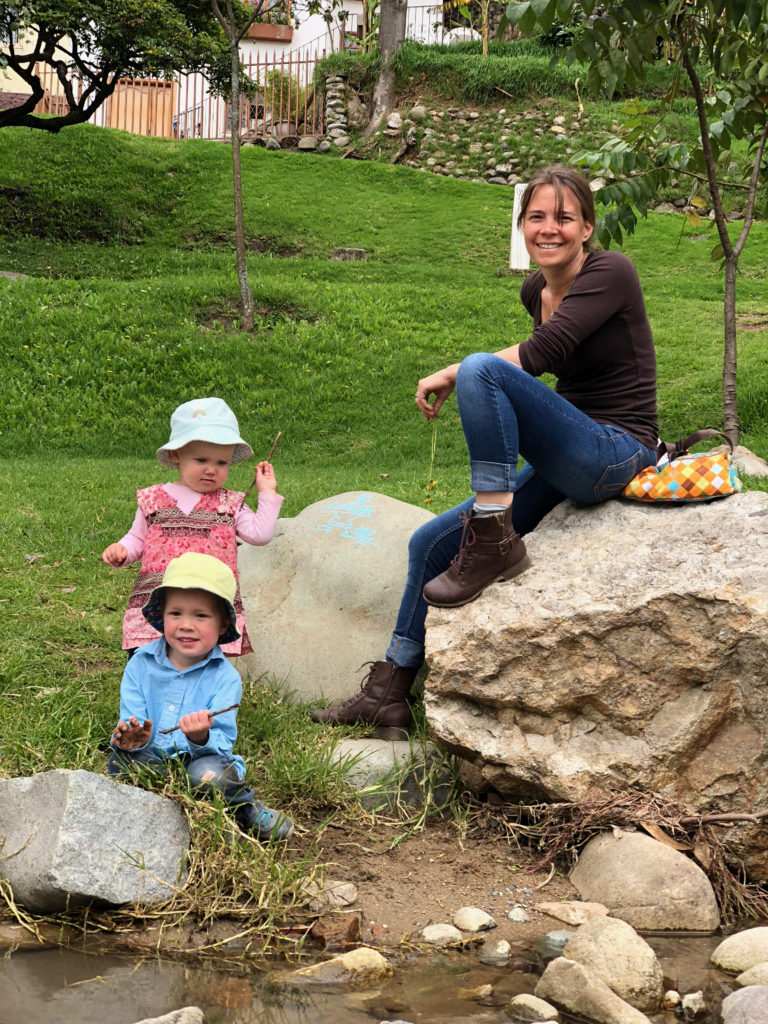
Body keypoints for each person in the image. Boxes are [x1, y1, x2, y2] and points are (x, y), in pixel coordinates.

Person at [312, 165, 658, 734]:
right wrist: (470, 375)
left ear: (588, 228)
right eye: (537, 217)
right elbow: (541, 361)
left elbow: (544, 352)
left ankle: (493, 534)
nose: (550, 229)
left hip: (619, 451)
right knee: (429, 542)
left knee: (480, 370)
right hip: (571, 455)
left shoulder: (611, 271)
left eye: (565, 218)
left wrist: (454, 374)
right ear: (523, 226)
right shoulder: (535, 290)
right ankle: (390, 690)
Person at [108, 551, 293, 841]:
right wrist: (131, 739)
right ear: (162, 615)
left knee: (210, 775)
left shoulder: (224, 678)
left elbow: (221, 743)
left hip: (200, 762)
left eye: (201, 615)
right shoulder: (139, 665)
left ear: (222, 625)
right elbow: (130, 720)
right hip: (150, 757)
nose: (186, 624)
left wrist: (199, 738)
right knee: (122, 761)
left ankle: (244, 808)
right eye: (175, 613)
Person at [102, 397, 282, 657]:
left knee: (202, 669)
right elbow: (137, 538)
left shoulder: (230, 504)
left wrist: (267, 493)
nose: (211, 470)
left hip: (206, 606)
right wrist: (122, 550)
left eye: (222, 463)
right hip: (159, 604)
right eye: (201, 460)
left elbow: (260, 535)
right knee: (149, 664)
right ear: (177, 455)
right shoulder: (153, 499)